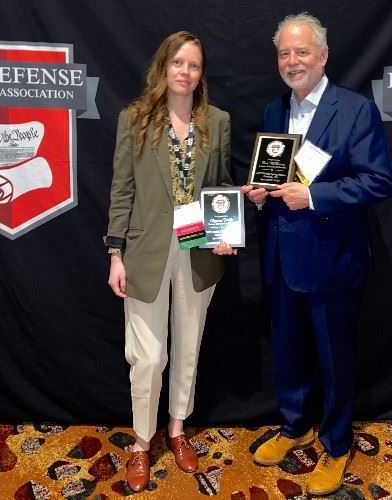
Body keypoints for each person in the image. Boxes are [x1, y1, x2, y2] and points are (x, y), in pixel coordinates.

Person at [242, 13, 392, 496]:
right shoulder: (272, 113)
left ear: (323, 56)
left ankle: (335, 442)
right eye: (284, 53)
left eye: (301, 52)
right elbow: (274, 174)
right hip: (281, 256)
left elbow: (378, 181)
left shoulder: (355, 110)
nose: (292, 62)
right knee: (286, 350)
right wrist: (260, 192)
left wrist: (313, 196)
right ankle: (292, 426)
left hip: (332, 259)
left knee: (333, 357)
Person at [105, 31, 235, 492]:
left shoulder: (216, 121)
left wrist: (225, 233)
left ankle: (177, 430)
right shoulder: (135, 119)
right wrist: (115, 253)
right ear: (163, 67)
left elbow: (220, 185)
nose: (186, 72)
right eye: (178, 63)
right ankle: (142, 442)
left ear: (202, 74)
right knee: (149, 356)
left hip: (197, 251)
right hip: (145, 251)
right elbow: (122, 190)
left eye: (194, 65)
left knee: (188, 348)